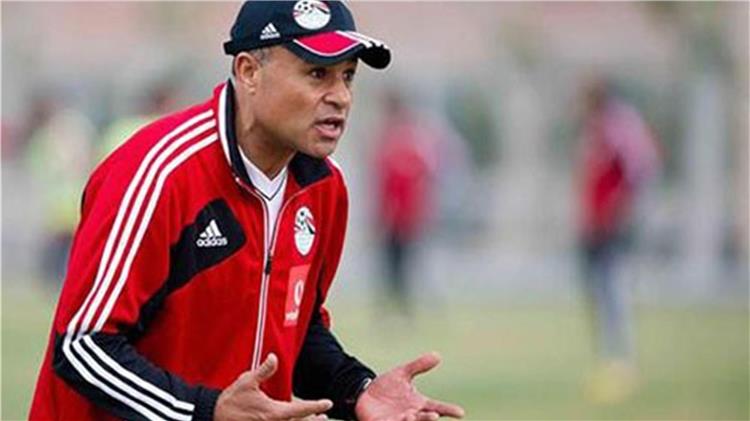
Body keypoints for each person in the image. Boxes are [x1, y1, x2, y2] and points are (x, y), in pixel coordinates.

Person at [29, 2, 466, 421]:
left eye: (348, 76)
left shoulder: (324, 188)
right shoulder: (160, 172)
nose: (341, 97)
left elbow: (295, 331)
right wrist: (205, 410)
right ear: (248, 71)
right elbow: (83, 346)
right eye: (317, 73)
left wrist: (358, 390)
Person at [576, 78, 661, 404]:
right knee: (597, 292)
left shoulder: (619, 127)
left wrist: (623, 210)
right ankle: (609, 360)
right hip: (594, 224)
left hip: (612, 225)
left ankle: (622, 361)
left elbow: (641, 169)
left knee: (613, 289)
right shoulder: (596, 129)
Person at [372, 91, 438, 316]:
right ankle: (398, 309)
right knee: (398, 265)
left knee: (399, 265)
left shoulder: (398, 142)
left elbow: (396, 183)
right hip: (404, 217)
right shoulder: (406, 141)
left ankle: (400, 308)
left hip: (402, 218)